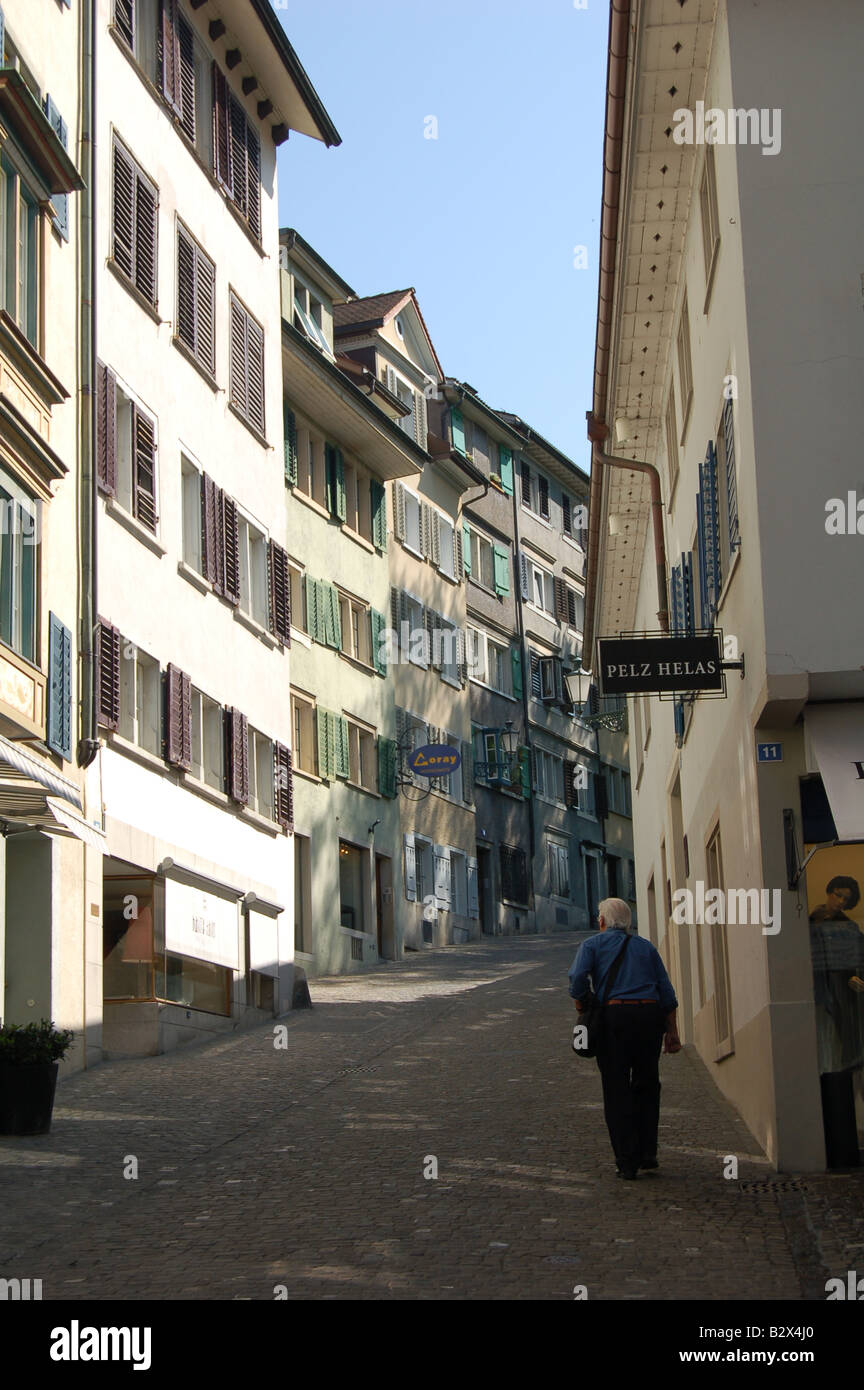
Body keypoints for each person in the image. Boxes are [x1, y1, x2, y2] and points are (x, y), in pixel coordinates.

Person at [569, 897, 680, 1181]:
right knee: (647, 1084)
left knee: (616, 1089)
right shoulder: (646, 947)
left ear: (603, 921)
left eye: (599, 917)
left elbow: (577, 978)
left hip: (614, 1020)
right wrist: (672, 1031)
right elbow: (666, 993)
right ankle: (647, 1152)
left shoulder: (592, 945)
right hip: (648, 1018)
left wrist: (583, 1004)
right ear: (628, 922)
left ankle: (626, 1161)